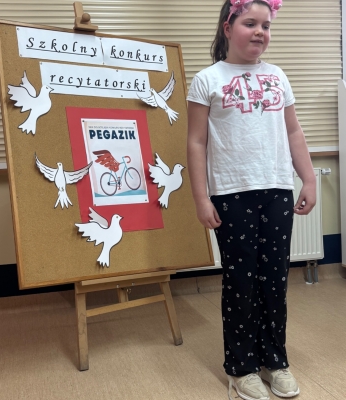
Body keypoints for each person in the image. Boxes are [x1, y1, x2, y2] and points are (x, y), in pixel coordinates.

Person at [186, 0, 316, 399]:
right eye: (250, 23)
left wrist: (309, 178)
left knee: (274, 280)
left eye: (266, 25)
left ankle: (275, 360)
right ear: (228, 28)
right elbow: (196, 142)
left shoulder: (277, 75)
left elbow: (293, 132)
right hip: (231, 194)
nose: (260, 31)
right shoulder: (207, 79)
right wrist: (201, 197)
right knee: (241, 282)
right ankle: (241, 368)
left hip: (276, 190)